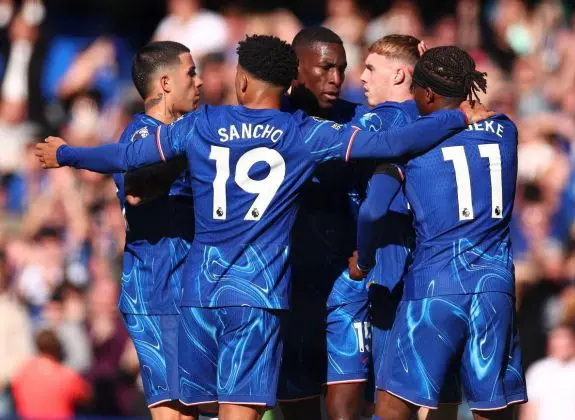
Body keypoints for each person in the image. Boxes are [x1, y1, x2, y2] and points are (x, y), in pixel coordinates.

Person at [35, 35, 490, 420]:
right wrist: (454, 115)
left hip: (199, 292)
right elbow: (389, 142)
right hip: (258, 294)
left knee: (188, 412)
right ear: (287, 82)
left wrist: (66, 154)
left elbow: (127, 156)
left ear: (243, 80)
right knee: (241, 410)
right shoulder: (303, 133)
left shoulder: (203, 123)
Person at [350, 46, 527, 420]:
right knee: (491, 407)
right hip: (495, 288)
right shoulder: (507, 130)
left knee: (392, 405)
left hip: (434, 285)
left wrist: (363, 262)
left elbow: (373, 210)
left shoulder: (413, 144)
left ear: (427, 94)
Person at [278, 27, 369, 420]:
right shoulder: (271, 124)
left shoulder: (359, 120)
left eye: (342, 69)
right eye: (326, 67)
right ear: (297, 69)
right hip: (289, 290)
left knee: (345, 411)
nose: (336, 78)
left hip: (346, 287)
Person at [109, 40, 202, 420]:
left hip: (188, 286)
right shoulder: (141, 139)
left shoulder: (187, 133)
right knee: (173, 413)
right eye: (191, 73)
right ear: (165, 83)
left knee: (192, 408)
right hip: (156, 288)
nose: (199, 82)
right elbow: (135, 190)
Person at [353, 34, 423, 406]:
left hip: (389, 262)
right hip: (431, 265)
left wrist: (362, 261)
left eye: (370, 68)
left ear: (399, 75)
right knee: (429, 395)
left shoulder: (379, 122)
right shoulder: (436, 118)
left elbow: (373, 208)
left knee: (386, 396)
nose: (361, 76)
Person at [11, 329, 92, 418]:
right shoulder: (66, 375)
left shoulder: (22, 372)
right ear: (58, 348)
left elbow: (15, 393)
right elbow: (86, 397)